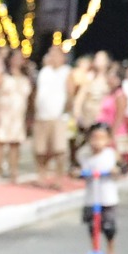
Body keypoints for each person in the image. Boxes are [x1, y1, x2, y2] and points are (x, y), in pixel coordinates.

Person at [76, 123, 120, 254]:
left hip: (107, 197)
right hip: (91, 197)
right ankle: (95, 251)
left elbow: (121, 168)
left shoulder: (111, 154)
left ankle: (110, 253)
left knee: (108, 227)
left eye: (102, 138)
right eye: (94, 138)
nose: (97, 142)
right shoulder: (83, 154)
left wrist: (115, 171)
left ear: (108, 140)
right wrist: (77, 173)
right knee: (92, 226)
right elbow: (77, 169)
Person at [32, 44, 74, 186]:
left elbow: (70, 94)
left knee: (59, 149)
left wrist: (67, 111)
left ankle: (58, 178)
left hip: (58, 116)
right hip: (42, 115)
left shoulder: (66, 72)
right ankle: (41, 175)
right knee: (40, 149)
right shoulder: (44, 72)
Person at [0, 50, 32, 183]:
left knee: (15, 142)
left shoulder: (25, 78)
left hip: (18, 113)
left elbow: (30, 98)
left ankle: (14, 171)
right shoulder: (1, 76)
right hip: (4, 111)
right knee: (0, 141)